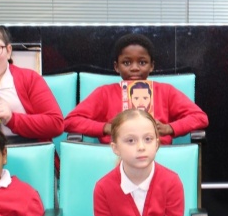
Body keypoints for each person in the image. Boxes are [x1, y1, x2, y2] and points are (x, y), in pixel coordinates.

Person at [64, 33, 208, 144]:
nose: (134, 68)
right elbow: (70, 122)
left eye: (142, 62)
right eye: (126, 63)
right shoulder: (104, 93)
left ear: (151, 66)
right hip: (116, 158)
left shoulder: (166, 91)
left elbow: (200, 118)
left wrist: (169, 128)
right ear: (116, 67)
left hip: (158, 156)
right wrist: (107, 128)